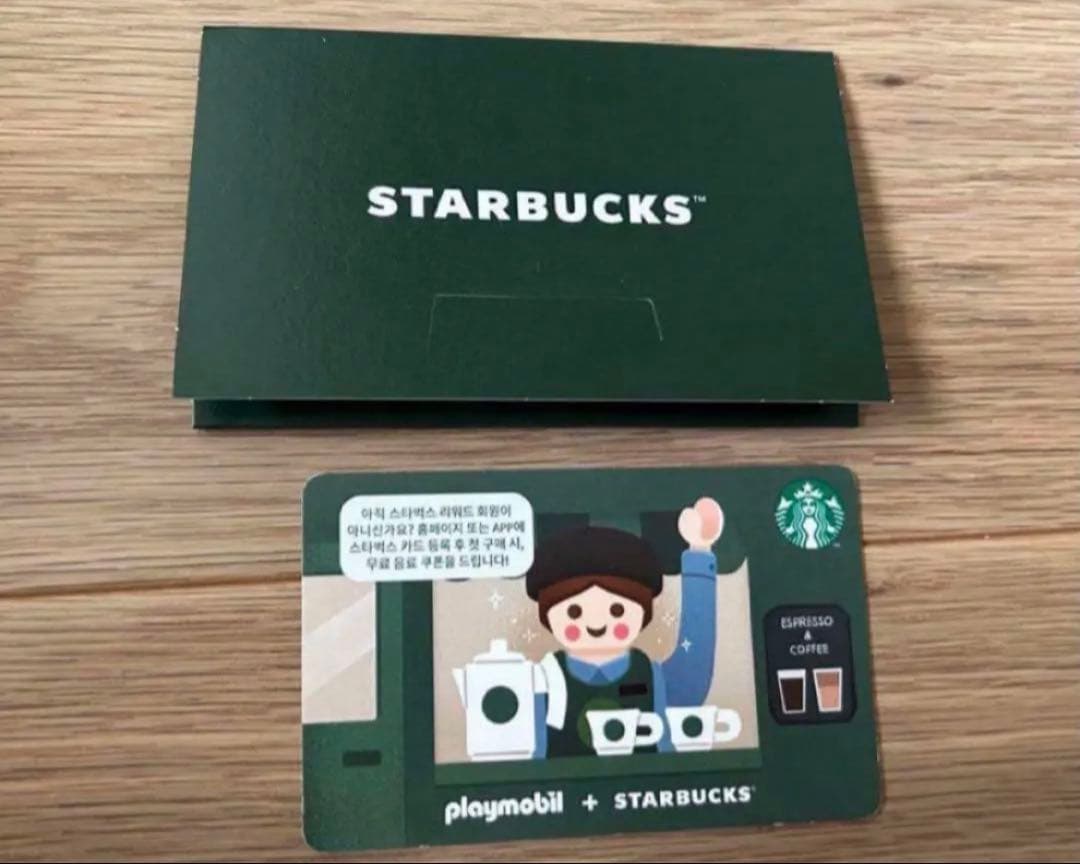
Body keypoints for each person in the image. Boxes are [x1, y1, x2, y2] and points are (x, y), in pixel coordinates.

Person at [526, 498, 725, 758]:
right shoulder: (544, 679)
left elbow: (692, 674)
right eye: (574, 612)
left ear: (642, 612)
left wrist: (699, 552)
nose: (596, 624)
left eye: (617, 611)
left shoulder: (650, 675)